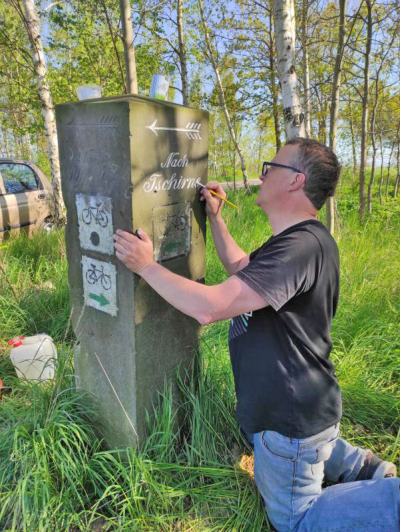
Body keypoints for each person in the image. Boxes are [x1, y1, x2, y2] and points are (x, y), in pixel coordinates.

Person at [113, 138, 399, 532]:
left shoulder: (299, 247)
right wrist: (216, 218)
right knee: (303, 444)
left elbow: (208, 307)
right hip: (304, 408)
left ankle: (392, 500)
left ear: (295, 181)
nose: (262, 173)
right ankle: (361, 466)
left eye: (271, 166)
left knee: (296, 520)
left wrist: (146, 267)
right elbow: (243, 267)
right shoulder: (300, 241)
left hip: (291, 421)